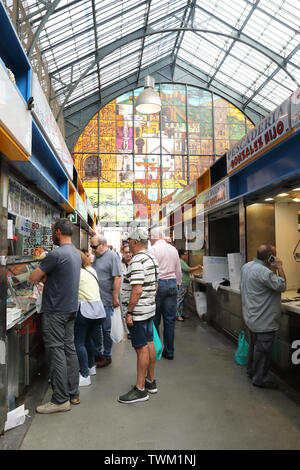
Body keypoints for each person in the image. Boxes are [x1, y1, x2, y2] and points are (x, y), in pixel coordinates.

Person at [29, 218, 81, 413]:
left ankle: (60, 399)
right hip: (70, 309)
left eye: (53, 231)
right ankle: (73, 393)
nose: (52, 233)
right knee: (69, 349)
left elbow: (34, 277)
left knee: (56, 351)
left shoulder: (56, 254)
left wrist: (38, 272)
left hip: (56, 310)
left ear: (58, 232)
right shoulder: (75, 253)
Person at [118, 228, 159, 404]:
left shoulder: (137, 261)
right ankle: (150, 381)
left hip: (139, 313)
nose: (128, 245)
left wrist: (130, 312)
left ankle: (140, 389)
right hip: (149, 309)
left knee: (141, 347)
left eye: (129, 242)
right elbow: (155, 286)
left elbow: (137, 289)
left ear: (135, 242)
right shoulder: (152, 258)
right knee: (149, 343)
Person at [240, 244, 286, 389]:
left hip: (251, 317)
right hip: (263, 320)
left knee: (254, 347)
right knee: (264, 351)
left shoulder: (247, 266)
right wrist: (279, 267)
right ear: (269, 258)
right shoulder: (265, 273)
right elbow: (282, 285)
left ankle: (251, 371)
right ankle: (260, 379)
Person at [149, 226, 182, 360]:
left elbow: (150, 270)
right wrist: (178, 283)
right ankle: (169, 351)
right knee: (169, 320)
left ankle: (156, 349)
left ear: (154, 237)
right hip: (172, 284)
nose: (150, 239)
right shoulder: (173, 249)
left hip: (158, 284)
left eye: (151, 237)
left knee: (155, 318)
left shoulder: (152, 249)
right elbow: (178, 269)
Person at [74, 251, 106, 386]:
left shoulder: (76, 273)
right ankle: (91, 367)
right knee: (89, 340)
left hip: (85, 310)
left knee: (79, 342)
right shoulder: (91, 270)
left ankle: (84, 375)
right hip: (98, 310)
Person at [90, 234, 122, 368]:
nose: (92, 249)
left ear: (103, 245)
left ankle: (107, 356)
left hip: (107, 300)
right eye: (91, 247)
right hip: (96, 299)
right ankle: (98, 354)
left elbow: (117, 277)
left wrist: (115, 297)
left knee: (106, 330)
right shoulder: (96, 258)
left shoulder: (112, 256)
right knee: (96, 329)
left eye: (94, 247)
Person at [176, 249, 202, 321]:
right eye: (185, 254)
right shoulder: (180, 261)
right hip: (182, 284)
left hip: (184, 283)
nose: (187, 255)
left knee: (183, 300)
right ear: (182, 255)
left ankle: (182, 313)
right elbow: (188, 269)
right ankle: (178, 315)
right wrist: (198, 267)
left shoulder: (182, 261)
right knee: (180, 300)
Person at [120, 244, 133, 337]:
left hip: (133, 292)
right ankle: (128, 332)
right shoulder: (119, 265)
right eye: (126, 252)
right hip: (123, 293)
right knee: (124, 312)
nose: (128, 254)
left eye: (129, 252)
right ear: (122, 253)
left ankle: (133, 329)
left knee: (132, 311)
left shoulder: (135, 264)